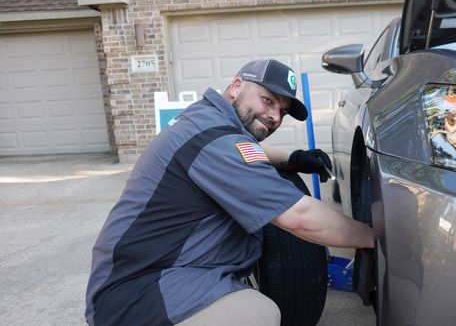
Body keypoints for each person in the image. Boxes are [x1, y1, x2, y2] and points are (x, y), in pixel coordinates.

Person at [85, 59, 375, 326]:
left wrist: (291, 156)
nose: (274, 116)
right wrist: (377, 237)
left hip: (149, 273)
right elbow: (299, 216)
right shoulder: (215, 140)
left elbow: (245, 149)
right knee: (257, 314)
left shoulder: (206, 119)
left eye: (282, 111)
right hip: (137, 293)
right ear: (237, 87)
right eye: (268, 100)